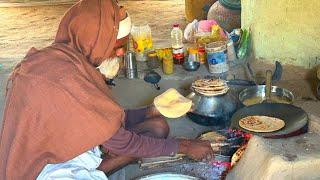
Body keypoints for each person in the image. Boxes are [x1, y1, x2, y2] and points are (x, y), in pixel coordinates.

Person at [0, 0, 214, 179]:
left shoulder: (71, 60)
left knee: (157, 128)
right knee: (136, 143)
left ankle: (97, 166)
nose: (120, 54)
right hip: (44, 167)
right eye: (115, 46)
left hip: (71, 146)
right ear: (95, 40)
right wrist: (185, 146)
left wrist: (150, 111)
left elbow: (98, 120)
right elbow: (120, 142)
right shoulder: (64, 80)